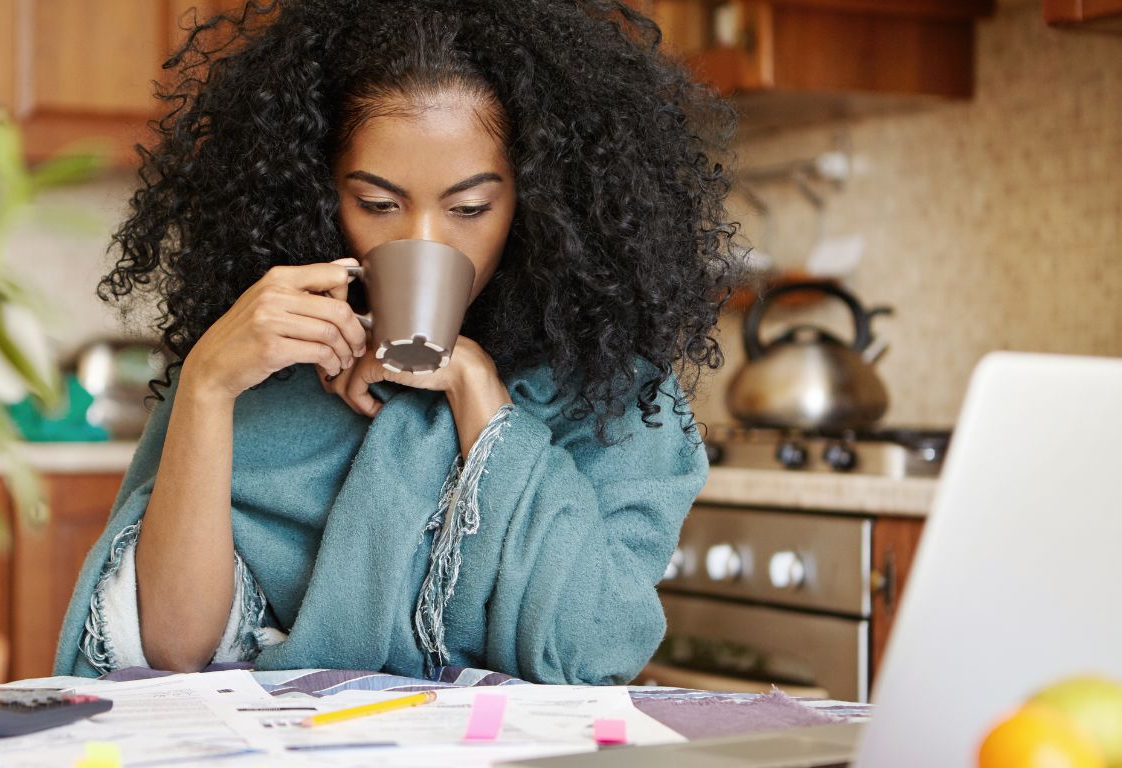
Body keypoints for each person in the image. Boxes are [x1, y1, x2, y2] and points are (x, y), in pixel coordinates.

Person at [53, 0, 737, 685]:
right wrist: (206, 384)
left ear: (536, 200)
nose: (423, 243)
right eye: (378, 205)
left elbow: (593, 648)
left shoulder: (612, 396)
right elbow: (174, 648)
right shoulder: (264, 368)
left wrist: (479, 396)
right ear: (317, 194)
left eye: (470, 208)